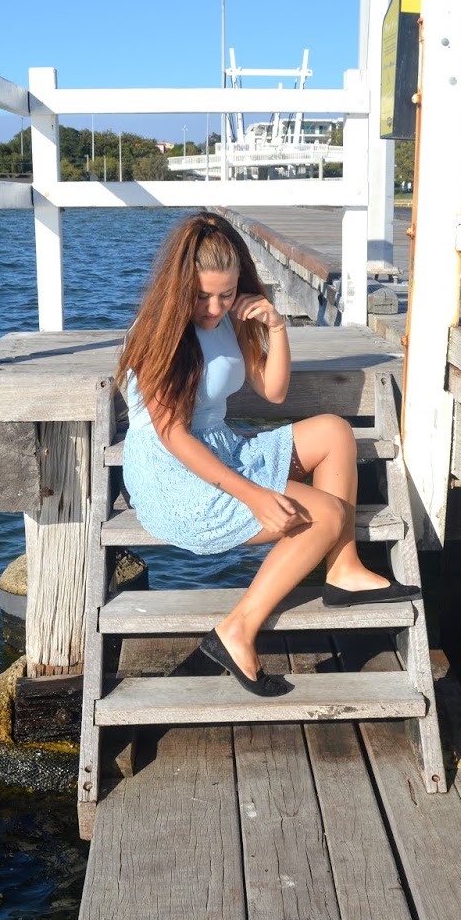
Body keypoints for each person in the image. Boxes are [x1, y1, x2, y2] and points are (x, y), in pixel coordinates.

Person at [116, 212, 420, 697]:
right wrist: (254, 496)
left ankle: (343, 569)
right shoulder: (158, 335)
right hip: (172, 473)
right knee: (325, 513)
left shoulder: (229, 317)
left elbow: (273, 392)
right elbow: (174, 436)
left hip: (221, 448)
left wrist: (275, 326)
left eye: (226, 294)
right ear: (179, 286)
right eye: (202, 296)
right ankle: (237, 630)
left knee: (334, 431)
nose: (214, 307)